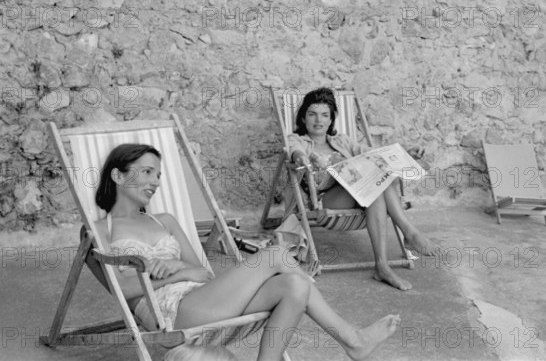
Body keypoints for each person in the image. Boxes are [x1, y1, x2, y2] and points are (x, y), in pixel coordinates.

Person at [94, 143, 400, 361]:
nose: (155, 182)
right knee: (275, 256)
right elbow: (120, 291)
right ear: (118, 176)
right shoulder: (98, 230)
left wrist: (179, 267)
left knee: (293, 285)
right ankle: (352, 339)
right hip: (171, 314)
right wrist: (160, 275)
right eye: (146, 172)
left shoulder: (165, 221)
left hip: (202, 297)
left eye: (158, 175)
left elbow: (202, 272)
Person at [288, 88, 440, 291]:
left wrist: (404, 150)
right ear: (303, 117)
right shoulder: (298, 140)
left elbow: (374, 155)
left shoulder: (342, 141)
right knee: (375, 180)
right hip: (325, 201)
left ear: (331, 118)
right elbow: (293, 151)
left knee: (377, 180)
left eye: (325, 114)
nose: (318, 120)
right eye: (312, 114)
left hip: (360, 194)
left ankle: (382, 266)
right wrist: (302, 158)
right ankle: (409, 233)